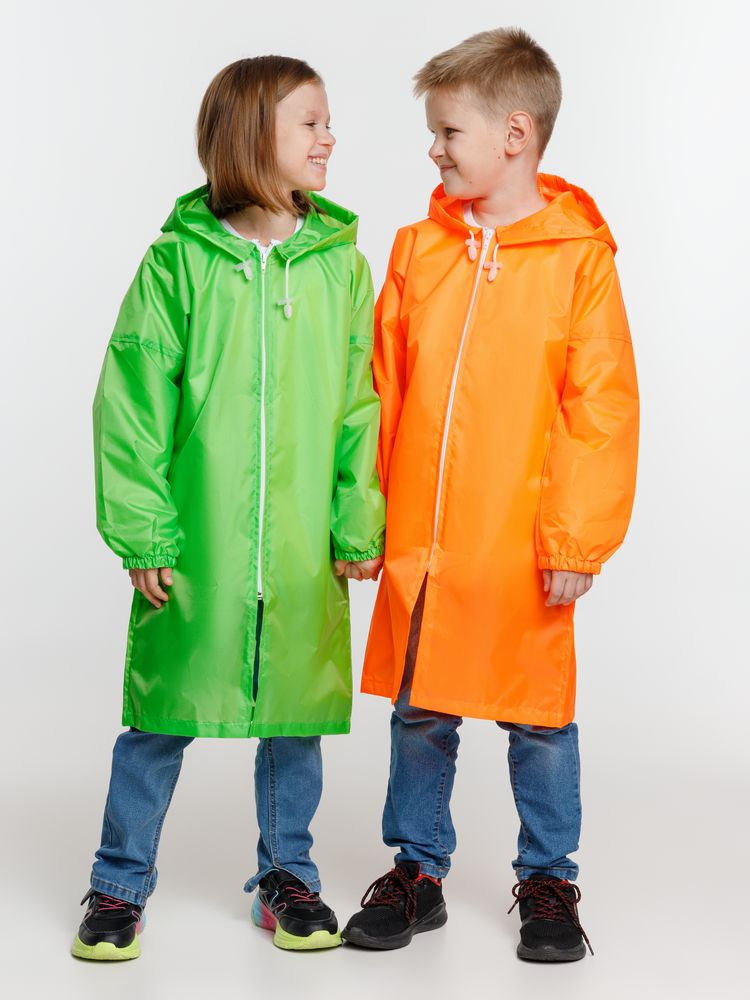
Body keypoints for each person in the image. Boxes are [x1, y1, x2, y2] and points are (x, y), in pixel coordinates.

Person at [72, 55, 385, 961]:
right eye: (310, 123)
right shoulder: (178, 263)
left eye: (327, 122)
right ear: (253, 138)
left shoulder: (340, 268)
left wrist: (356, 520)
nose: (330, 138)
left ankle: (288, 877)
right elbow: (133, 400)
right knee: (159, 719)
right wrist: (143, 531)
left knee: (293, 719)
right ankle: (118, 883)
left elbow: (359, 406)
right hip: (197, 542)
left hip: (299, 546)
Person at [343, 28, 639, 962]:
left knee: (538, 719)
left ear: (515, 133)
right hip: (425, 542)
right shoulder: (419, 251)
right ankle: (417, 869)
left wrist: (576, 541)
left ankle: (548, 878)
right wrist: (363, 517)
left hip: (523, 541)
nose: (433, 149)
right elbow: (379, 392)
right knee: (420, 712)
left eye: (448, 131)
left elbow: (600, 408)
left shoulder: (578, 261)